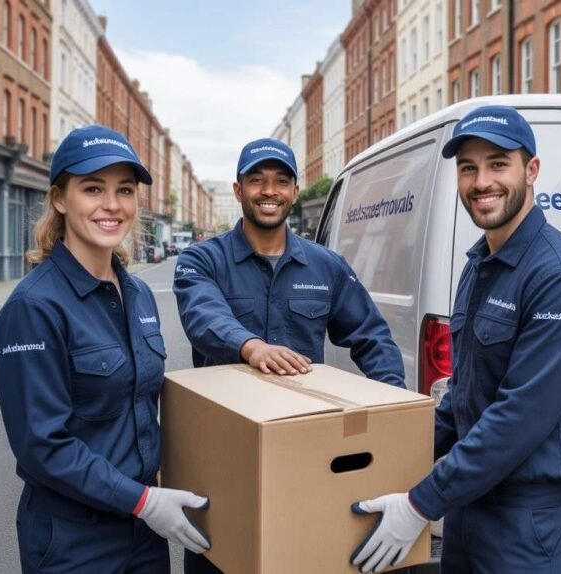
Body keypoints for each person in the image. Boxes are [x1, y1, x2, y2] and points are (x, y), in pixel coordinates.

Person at [350, 105, 561, 573]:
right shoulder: (480, 267)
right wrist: (386, 460)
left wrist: (419, 504)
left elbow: (519, 418)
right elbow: (463, 396)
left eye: (498, 164)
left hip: (526, 518)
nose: (481, 182)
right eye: (468, 168)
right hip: (470, 504)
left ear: (531, 170)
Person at [174, 137, 406, 574]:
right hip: (226, 461)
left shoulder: (326, 267)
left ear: (294, 192)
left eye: (281, 180)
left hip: (305, 456)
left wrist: (393, 416)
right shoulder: (202, 261)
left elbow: (373, 339)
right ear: (239, 189)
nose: (269, 190)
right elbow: (203, 316)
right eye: (257, 180)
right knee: (222, 561)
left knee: (300, 556)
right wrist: (251, 347)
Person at [0, 125, 210, 573]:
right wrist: (144, 500)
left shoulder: (139, 295)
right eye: (93, 189)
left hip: (144, 532)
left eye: (124, 190)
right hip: (74, 540)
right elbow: (42, 446)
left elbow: (142, 408)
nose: (112, 205)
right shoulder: (34, 308)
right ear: (59, 198)